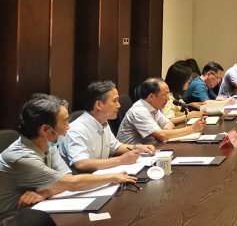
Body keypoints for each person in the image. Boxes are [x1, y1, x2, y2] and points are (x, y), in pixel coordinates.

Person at [0, 94, 135, 213]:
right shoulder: (22, 158)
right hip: (9, 218)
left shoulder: (48, 143)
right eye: (64, 121)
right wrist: (113, 177)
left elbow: (66, 178)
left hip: (32, 210)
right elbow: (72, 183)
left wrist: (45, 192)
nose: (68, 126)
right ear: (46, 129)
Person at [59, 81, 155, 173]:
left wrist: (138, 148)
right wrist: (121, 160)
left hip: (102, 176)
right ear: (99, 105)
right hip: (82, 180)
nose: (119, 105)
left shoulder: (103, 122)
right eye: (115, 101)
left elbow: (115, 147)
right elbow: (81, 164)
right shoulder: (77, 129)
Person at [116, 78, 206, 145]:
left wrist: (165, 132)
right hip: (130, 155)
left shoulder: (153, 107)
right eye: (165, 95)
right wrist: (192, 129)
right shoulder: (139, 111)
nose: (168, 99)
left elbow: (169, 124)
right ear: (151, 97)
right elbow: (161, 136)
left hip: (148, 149)